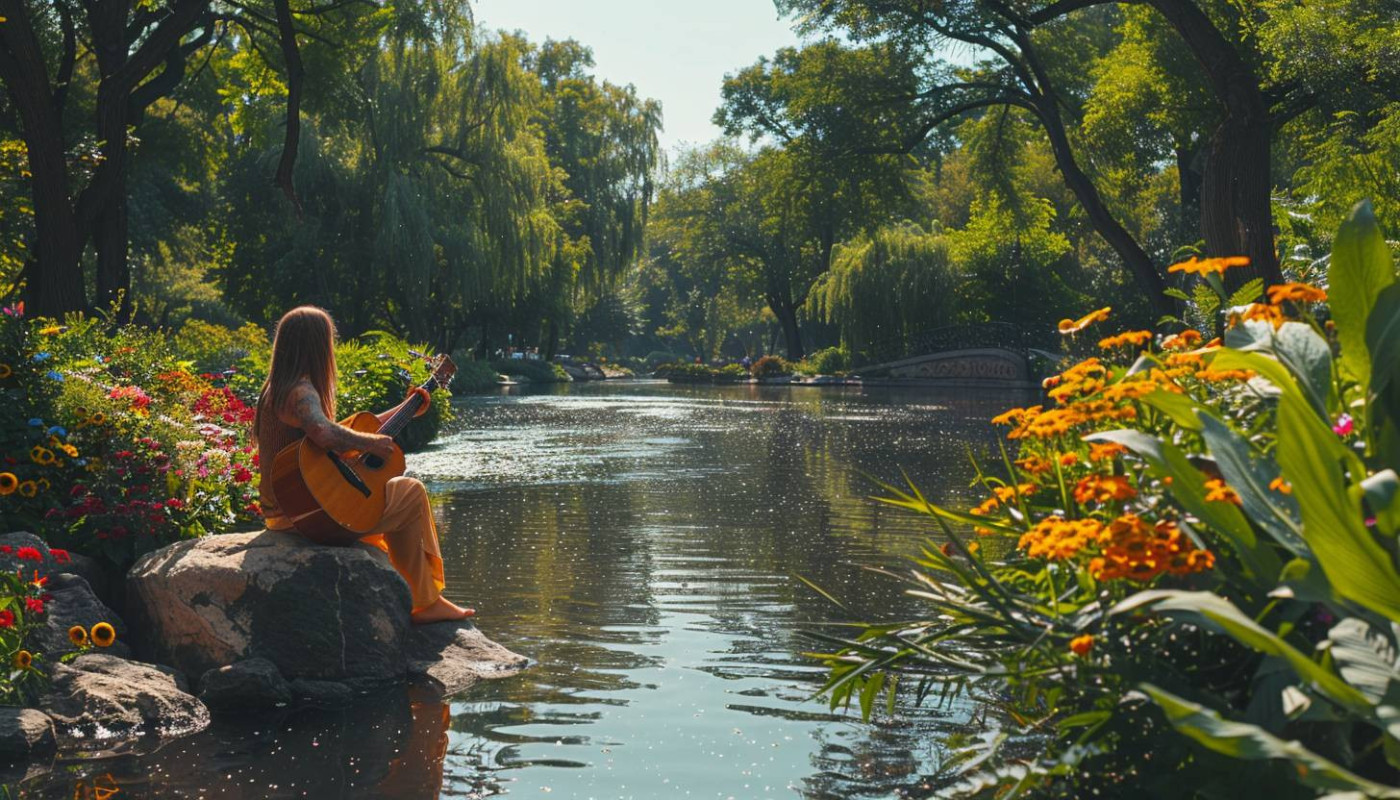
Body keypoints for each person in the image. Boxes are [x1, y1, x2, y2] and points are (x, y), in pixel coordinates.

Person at [252, 306, 474, 624]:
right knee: (410, 491)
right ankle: (425, 602)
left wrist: (409, 406)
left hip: (284, 513)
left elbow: (338, 432)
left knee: (381, 494)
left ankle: (408, 584)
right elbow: (324, 432)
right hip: (306, 519)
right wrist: (370, 444)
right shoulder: (301, 391)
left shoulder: (275, 389)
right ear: (317, 347)